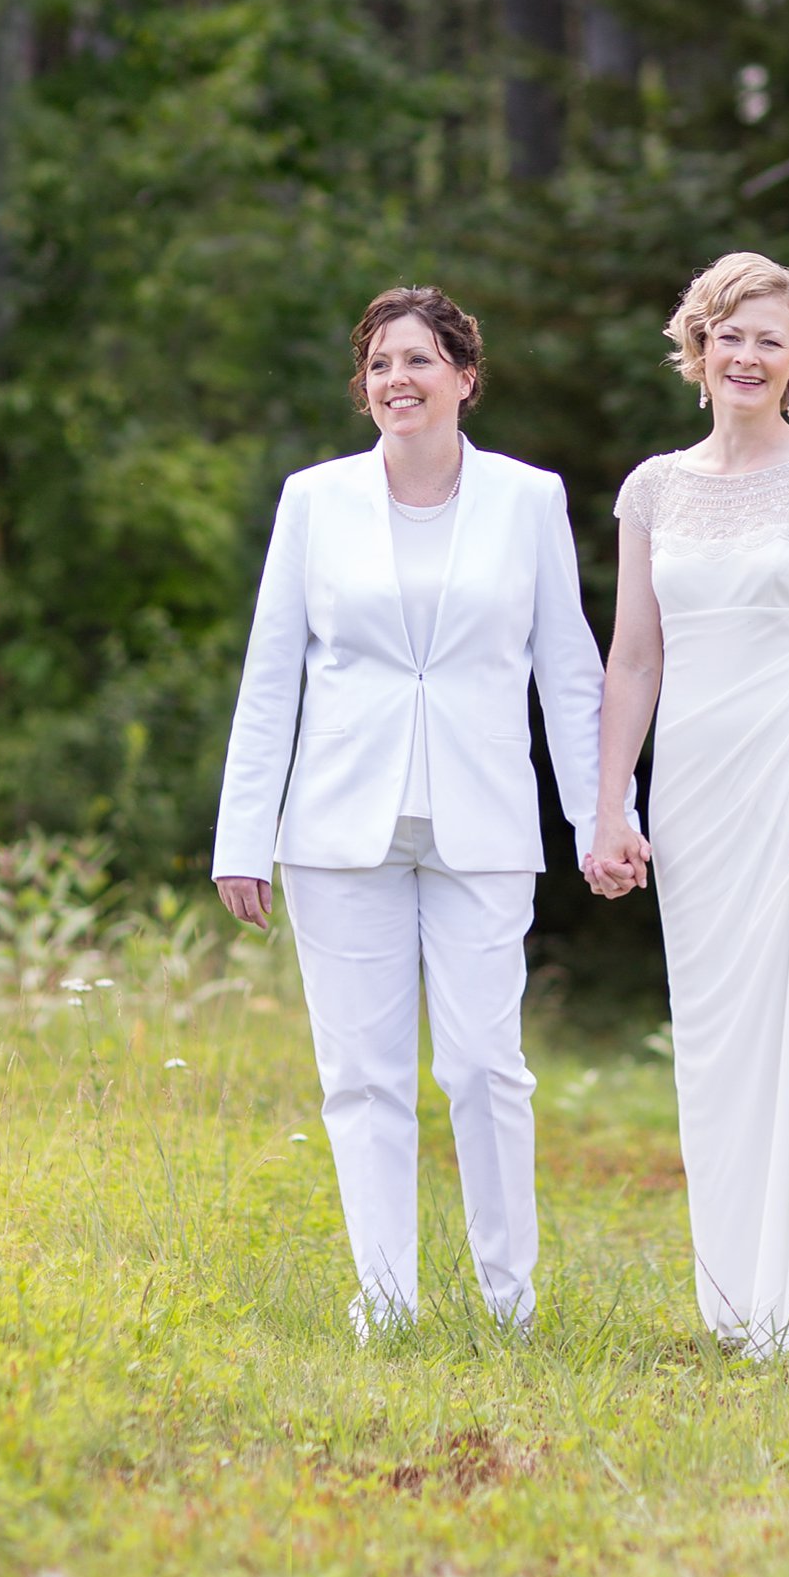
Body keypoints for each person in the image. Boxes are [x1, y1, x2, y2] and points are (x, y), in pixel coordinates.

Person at [211, 283, 612, 1335]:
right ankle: (384, 1301)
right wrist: (241, 835)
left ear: (464, 377)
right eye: (380, 362)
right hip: (337, 825)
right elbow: (270, 675)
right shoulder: (315, 500)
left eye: (420, 359)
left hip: (481, 819)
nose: (399, 377)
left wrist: (597, 813)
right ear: (364, 385)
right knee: (362, 1076)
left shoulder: (527, 499)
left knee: (485, 1065)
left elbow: (568, 668)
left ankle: (508, 1302)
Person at [585, 250, 789, 1353]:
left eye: (769, 337)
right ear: (697, 348)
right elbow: (631, 659)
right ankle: (735, 1297)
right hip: (697, 789)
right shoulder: (654, 488)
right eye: (729, 333)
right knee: (719, 1041)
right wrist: (607, 801)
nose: (747, 354)